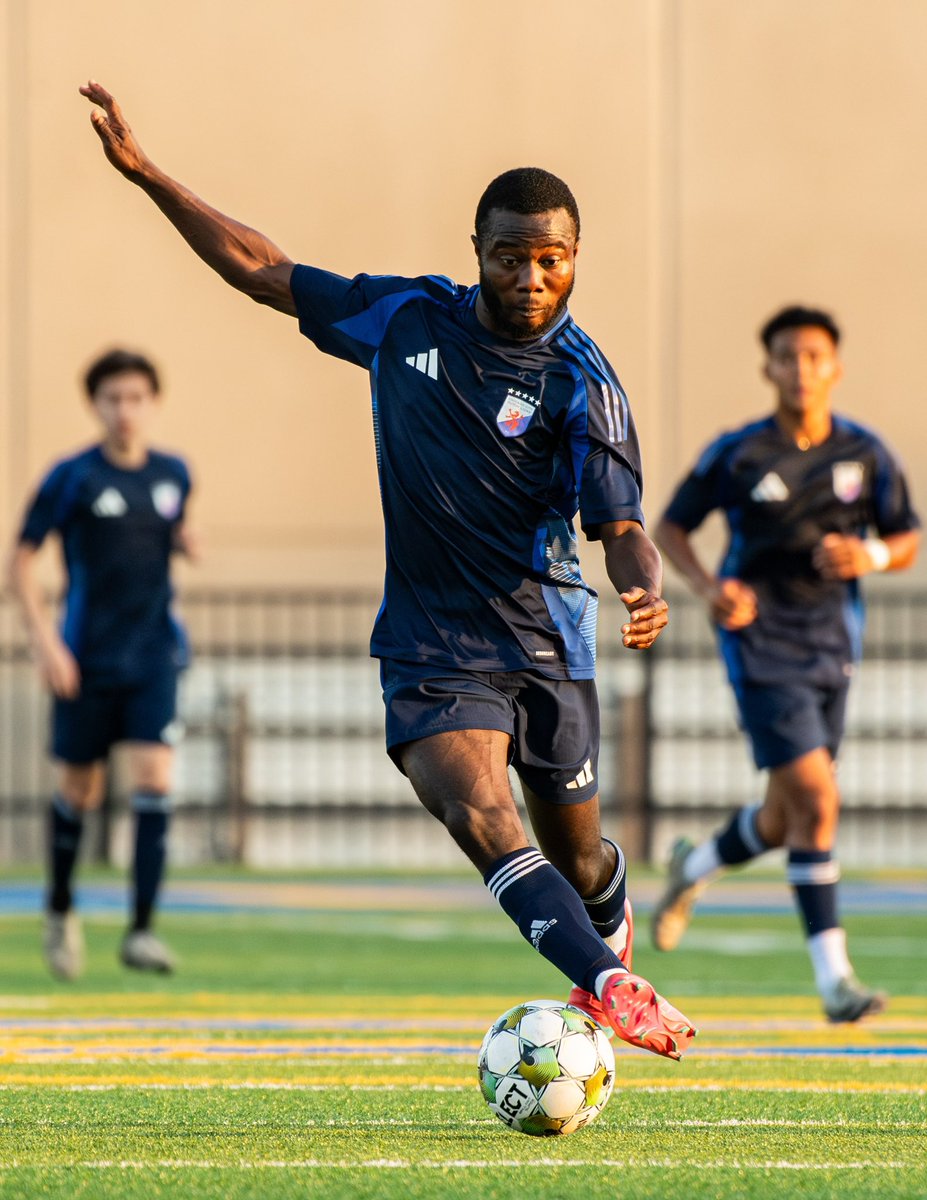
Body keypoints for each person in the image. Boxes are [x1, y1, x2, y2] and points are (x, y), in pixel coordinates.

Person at [77, 80, 696, 1060]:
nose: (532, 275)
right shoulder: (409, 320)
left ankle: (604, 925)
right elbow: (265, 270)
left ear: (574, 259)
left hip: (547, 641)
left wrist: (641, 584)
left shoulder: (585, 381)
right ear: (479, 253)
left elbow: (618, 521)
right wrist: (151, 175)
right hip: (431, 644)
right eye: (511, 256)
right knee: (479, 811)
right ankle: (611, 982)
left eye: (552, 258)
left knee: (580, 859)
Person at [651, 305, 920, 1022]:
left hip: (833, 643)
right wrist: (711, 589)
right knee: (818, 802)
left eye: (812, 356)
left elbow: (905, 538)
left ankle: (692, 866)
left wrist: (865, 554)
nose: (799, 369)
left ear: (833, 366)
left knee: (785, 815)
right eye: (785, 356)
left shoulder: (863, 454)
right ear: (766, 367)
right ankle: (835, 983)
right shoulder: (739, 453)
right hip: (759, 642)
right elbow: (670, 525)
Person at [8, 348, 196, 979]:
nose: (125, 410)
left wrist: (184, 542)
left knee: (155, 781)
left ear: (153, 403)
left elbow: (167, 531)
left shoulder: (174, 474)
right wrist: (46, 643)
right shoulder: (73, 477)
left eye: (136, 398)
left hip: (153, 657)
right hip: (84, 659)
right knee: (77, 790)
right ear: (96, 404)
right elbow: (22, 560)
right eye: (113, 398)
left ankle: (141, 930)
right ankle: (60, 908)